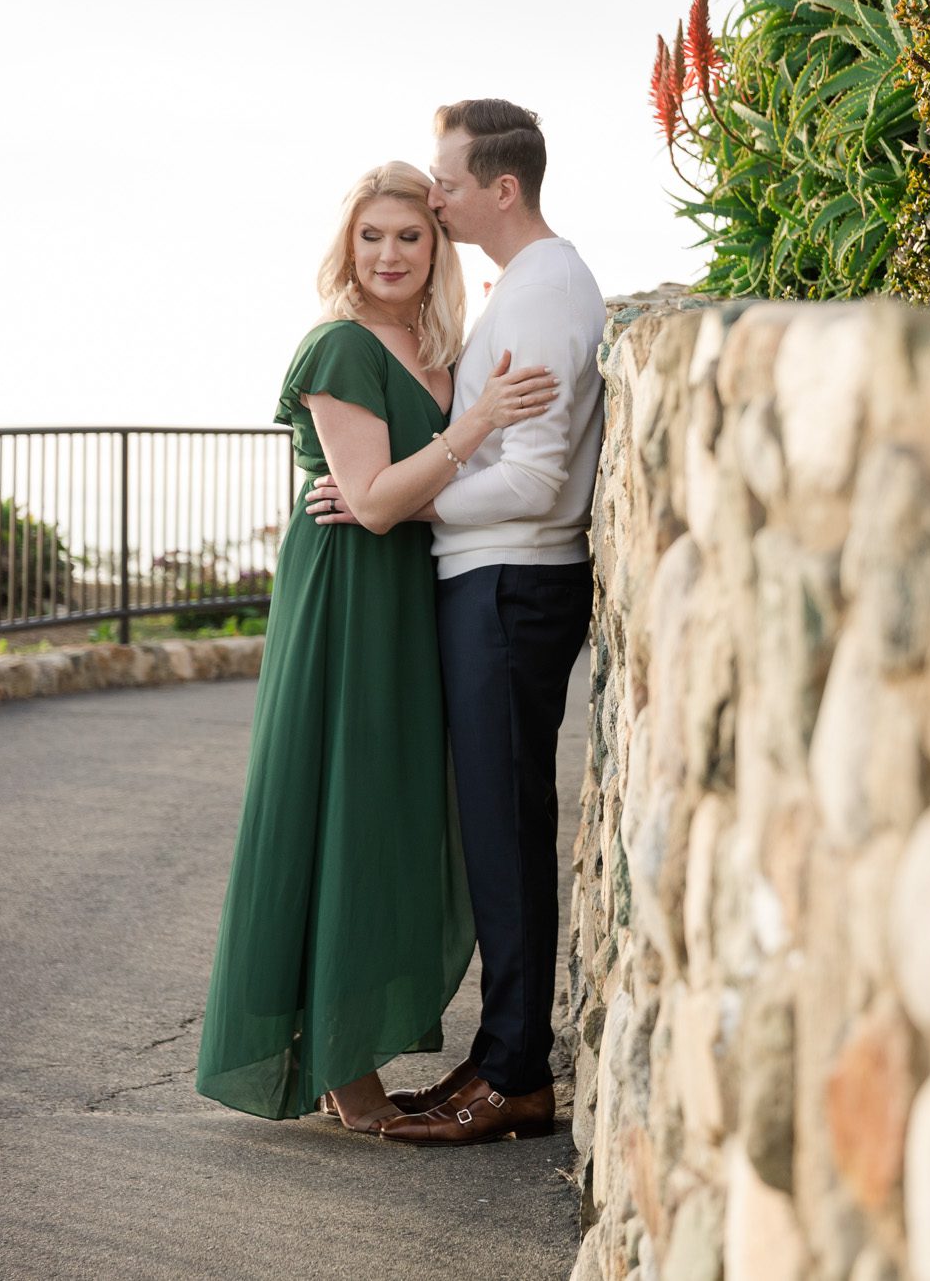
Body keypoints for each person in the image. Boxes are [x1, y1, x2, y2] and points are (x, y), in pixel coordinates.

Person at [196, 162, 560, 1134]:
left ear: (436, 245)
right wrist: (471, 426)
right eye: (372, 237)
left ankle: (350, 1044)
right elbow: (370, 501)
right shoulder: (339, 349)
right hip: (347, 603)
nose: (390, 254)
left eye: (409, 236)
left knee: (394, 812)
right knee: (339, 812)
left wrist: (426, 458)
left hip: (414, 596)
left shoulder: (443, 351)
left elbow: (405, 495)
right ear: (346, 247)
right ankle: (337, 1064)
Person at [310, 100, 606, 1146]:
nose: (431, 198)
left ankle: (516, 1076)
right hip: (490, 584)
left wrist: (398, 497)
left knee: (506, 833)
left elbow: (530, 482)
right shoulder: (523, 290)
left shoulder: (545, 292)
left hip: (511, 587)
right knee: (494, 829)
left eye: (443, 183)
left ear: (499, 188)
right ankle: (497, 1058)